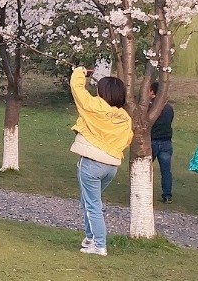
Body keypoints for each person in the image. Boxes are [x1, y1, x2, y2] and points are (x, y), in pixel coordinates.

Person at [68, 66, 132, 256]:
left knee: (92, 204)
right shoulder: (125, 117)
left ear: (102, 92)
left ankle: (99, 244)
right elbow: (127, 139)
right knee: (88, 201)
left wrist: (80, 72)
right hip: (111, 166)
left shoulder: (95, 107)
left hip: (91, 163)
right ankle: (90, 238)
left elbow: (77, 88)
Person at [149, 82, 174, 203]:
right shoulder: (168, 108)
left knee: (145, 168)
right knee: (166, 170)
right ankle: (167, 195)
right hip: (166, 141)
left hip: (152, 141)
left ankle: (144, 191)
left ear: (153, 92)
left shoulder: (150, 107)